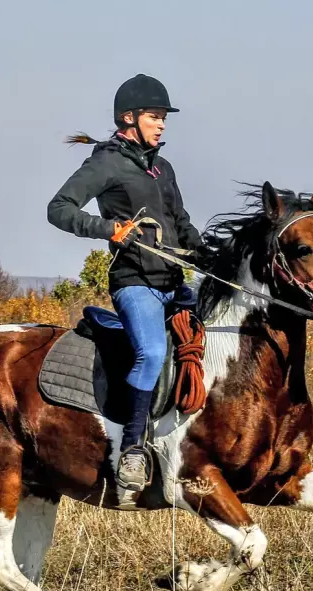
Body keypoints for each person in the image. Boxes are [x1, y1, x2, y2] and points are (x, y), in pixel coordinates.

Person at [47, 74, 203, 491]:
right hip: (134, 282)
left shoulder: (161, 167)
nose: (163, 124)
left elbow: (182, 224)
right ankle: (131, 450)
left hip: (173, 280)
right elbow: (58, 209)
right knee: (151, 353)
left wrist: (207, 254)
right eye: (155, 116)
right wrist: (108, 229)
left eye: (164, 117)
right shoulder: (105, 163)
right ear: (129, 118)